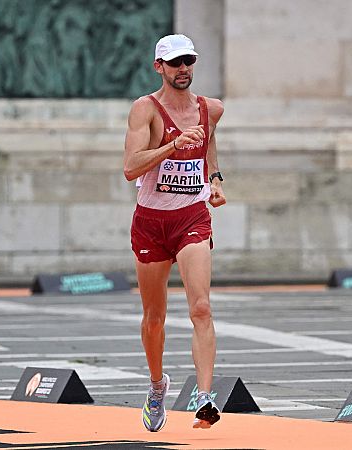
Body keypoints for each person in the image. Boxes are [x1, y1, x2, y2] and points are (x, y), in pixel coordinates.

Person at [123, 34, 226, 432]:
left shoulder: (210, 109)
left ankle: (204, 397)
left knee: (200, 307)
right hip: (151, 222)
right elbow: (130, 167)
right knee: (154, 317)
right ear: (159, 67)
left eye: (188, 62)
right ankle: (156, 386)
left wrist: (214, 178)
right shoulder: (144, 110)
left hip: (191, 218)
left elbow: (209, 141)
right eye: (175, 63)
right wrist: (171, 145)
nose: (183, 69)